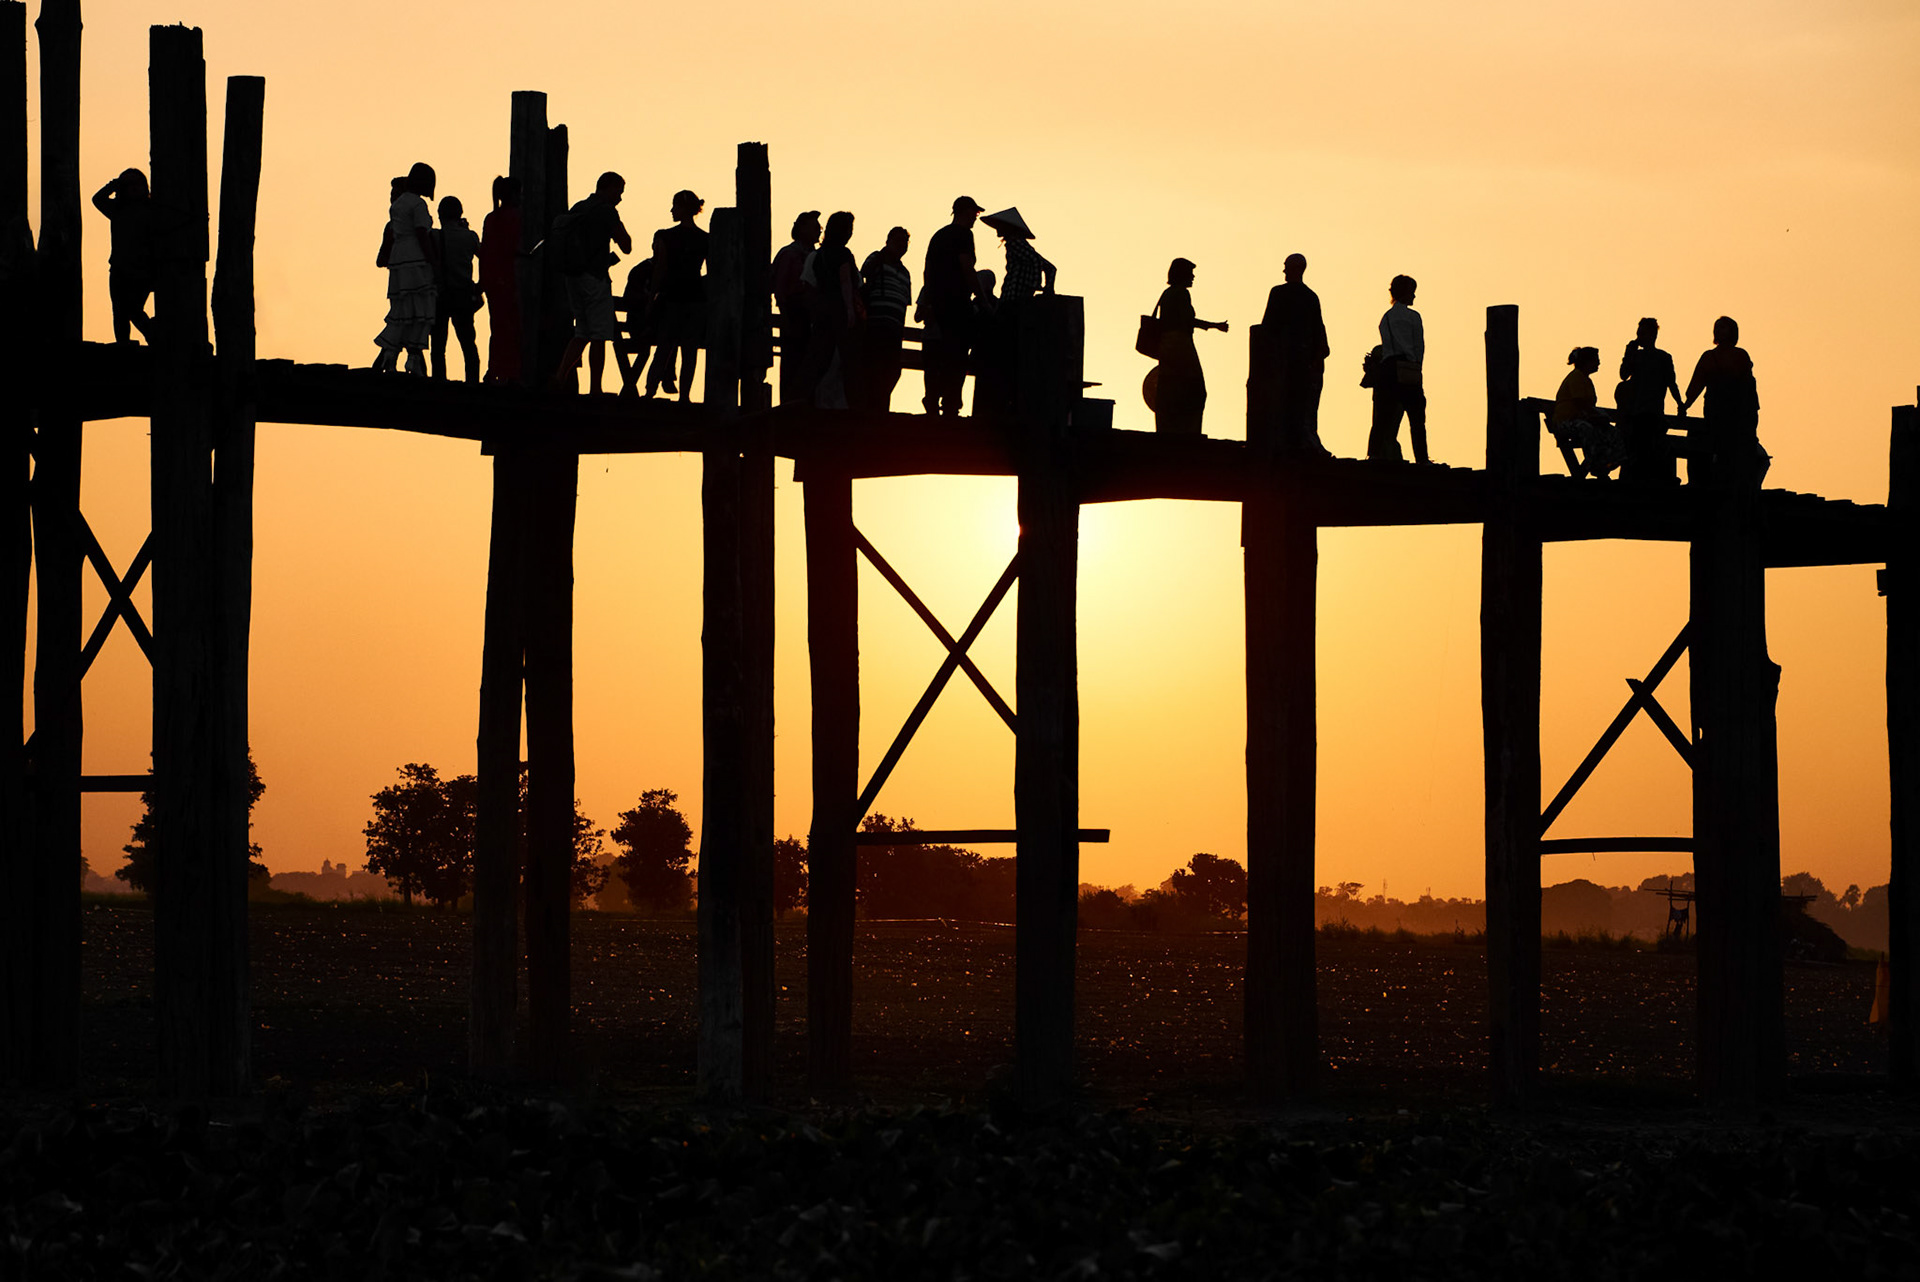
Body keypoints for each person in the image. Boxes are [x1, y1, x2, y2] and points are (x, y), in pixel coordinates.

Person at [550, 171, 634, 395]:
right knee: (599, 335)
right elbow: (626, 246)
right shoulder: (607, 211)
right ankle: (595, 388)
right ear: (608, 188)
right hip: (594, 278)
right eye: (619, 192)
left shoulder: (578, 207)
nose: (620, 198)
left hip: (572, 277)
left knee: (582, 332)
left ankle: (560, 377)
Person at [977, 207, 1056, 416]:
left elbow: (1040, 264)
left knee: (1002, 352)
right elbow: (1050, 267)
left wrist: (1043, 287)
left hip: (1012, 304)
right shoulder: (1023, 247)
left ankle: (1001, 403)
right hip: (1019, 304)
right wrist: (1047, 287)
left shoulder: (1014, 244)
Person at [1259, 253, 1331, 455]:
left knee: (1289, 402)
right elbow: (1319, 330)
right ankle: (1300, 439)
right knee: (1303, 405)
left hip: (1287, 360)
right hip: (1303, 359)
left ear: (1295, 269)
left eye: (1286, 266)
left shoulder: (1279, 293)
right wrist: (1317, 356)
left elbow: (1268, 328)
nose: (1283, 270)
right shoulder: (1310, 296)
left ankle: (1291, 441)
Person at [917, 196, 983, 415]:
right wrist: (980, 295)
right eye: (974, 213)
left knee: (937, 356)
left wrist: (930, 299)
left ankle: (933, 402)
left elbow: (927, 271)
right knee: (957, 356)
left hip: (937, 304)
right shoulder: (965, 235)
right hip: (956, 304)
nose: (976, 217)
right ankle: (951, 405)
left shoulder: (938, 236)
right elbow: (966, 267)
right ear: (965, 212)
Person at [1681, 316, 1765, 486]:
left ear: (1733, 332)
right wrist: (1685, 405)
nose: (1718, 330)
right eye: (1716, 327)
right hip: (1715, 410)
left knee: (1731, 451)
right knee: (1715, 446)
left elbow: (1748, 388)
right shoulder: (1709, 357)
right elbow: (1697, 383)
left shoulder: (1740, 356)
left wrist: (1749, 417)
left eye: (1723, 327)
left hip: (1736, 412)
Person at [643, 189, 709, 399]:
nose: (672, 210)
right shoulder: (705, 239)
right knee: (689, 350)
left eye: (675, 206)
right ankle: (685, 396)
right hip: (696, 297)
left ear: (683, 209)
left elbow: (660, 269)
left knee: (664, 346)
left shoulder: (665, 236)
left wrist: (651, 298)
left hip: (671, 296)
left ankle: (650, 391)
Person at [373, 163, 438, 375]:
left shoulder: (398, 204)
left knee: (401, 311)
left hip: (398, 261)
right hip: (416, 260)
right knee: (420, 311)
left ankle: (390, 356)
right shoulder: (418, 205)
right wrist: (433, 261)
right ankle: (413, 357)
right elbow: (422, 234)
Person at [1152, 257, 1228, 435]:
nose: (1193, 277)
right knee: (1195, 391)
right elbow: (1188, 320)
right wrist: (1214, 325)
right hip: (1180, 346)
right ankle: (1188, 432)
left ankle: (1168, 430)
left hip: (1167, 347)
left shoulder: (1167, 293)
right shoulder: (1181, 293)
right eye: (1190, 273)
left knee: (1170, 390)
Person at [1366, 274, 1428, 464]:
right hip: (1407, 368)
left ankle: (1373, 454)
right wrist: (1417, 367)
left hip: (1388, 369)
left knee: (1382, 416)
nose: (1414, 296)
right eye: (1412, 292)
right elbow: (1419, 346)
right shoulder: (1413, 317)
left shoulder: (1386, 318)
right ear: (1406, 292)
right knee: (1417, 418)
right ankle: (1422, 458)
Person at [804, 211, 861, 408]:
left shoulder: (817, 256)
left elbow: (810, 286)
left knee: (819, 359)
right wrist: (850, 310)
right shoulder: (844, 254)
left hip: (821, 311)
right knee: (842, 361)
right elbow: (846, 281)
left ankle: (813, 402)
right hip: (839, 312)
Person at [1616, 317, 1684, 484]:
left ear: (1653, 335)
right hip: (1636, 412)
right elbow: (1624, 375)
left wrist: (1680, 404)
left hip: (1652, 412)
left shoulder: (1663, 358)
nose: (1639, 337)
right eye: (1638, 333)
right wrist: (1628, 353)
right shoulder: (1636, 356)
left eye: (1643, 333)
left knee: (1646, 446)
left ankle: (1644, 478)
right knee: (1637, 446)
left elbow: (1671, 383)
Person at [91, 168, 154, 345]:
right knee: (119, 311)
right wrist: (115, 184)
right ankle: (123, 344)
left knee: (133, 309)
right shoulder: (117, 210)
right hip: (119, 269)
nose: (133, 189)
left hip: (143, 270)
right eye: (128, 185)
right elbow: (97, 199)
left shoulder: (152, 211)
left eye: (137, 184)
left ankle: (153, 335)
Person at [856, 226, 913, 412]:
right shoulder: (877, 258)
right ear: (888, 240)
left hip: (894, 329)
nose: (902, 245)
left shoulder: (905, 273)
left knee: (892, 370)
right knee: (874, 368)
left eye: (905, 241)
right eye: (898, 240)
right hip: (875, 325)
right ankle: (872, 409)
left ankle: (880, 408)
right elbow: (863, 275)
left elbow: (905, 303)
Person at [430, 195, 483, 383]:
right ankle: (473, 383)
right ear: (460, 214)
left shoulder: (434, 236)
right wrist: (480, 286)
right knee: (469, 345)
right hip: (464, 295)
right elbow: (485, 258)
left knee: (438, 346)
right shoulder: (470, 237)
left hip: (441, 295)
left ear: (440, 215)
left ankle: (438, 383)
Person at [770, 211, 821, 405]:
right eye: (814, 226)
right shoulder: (790, 254)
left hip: (812, 314)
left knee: (809, 361)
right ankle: (791, 403)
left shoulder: (815, 256)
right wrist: (785, 313)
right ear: (801, 228)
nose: (818, 230)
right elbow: (780, 287)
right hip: (795, 310)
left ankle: (805, 402)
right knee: (794, 359)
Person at [1551, 347, 1624, 479]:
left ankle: (1605, 464)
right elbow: (1581, 404)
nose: (1599, 363)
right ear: (1587, 361)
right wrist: (1595, 417)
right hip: (1567, 422)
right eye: (1596, 360)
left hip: (1580, 420)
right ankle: (1594, 466)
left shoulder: (1586, 380)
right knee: (1587, 429)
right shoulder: (1576, 377)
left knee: (1613, 433)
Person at [478, 176, 523, 384]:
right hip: (507, 278)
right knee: (510, 327)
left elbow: (486, 251)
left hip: (491, 280)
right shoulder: (514, 217)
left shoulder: (491, 218)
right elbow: (514, 248)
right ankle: (509, 372)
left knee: (497, 327)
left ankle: (494, 369)